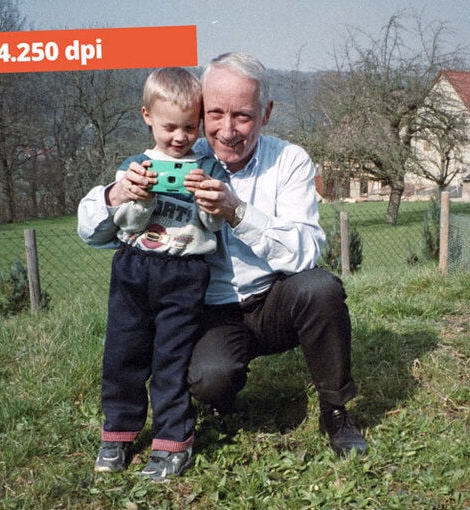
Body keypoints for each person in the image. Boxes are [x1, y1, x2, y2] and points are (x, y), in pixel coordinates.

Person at [182, 52, 368, 457]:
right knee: (211, 378)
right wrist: (115, 196)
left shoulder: (289, 160)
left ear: (266, 113)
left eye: (242, 116)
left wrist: (237, 212)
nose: (227, 130)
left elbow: (305, 252)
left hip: (274, 302)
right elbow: (97, 224)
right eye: (215, 113)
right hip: (214, 311)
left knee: (320, 289)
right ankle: (220, 398)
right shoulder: (183, 158)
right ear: (199, 112)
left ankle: (335, 412)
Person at [77, 67, 227, 481]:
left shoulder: (208, 166)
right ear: (147, 116)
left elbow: (213, 228)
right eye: (169, 127)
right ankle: (118, 435)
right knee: (123, 354)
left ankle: (172, 442)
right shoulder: (135, 165)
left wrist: (208, 202)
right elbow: (127, 223)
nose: (180, 137)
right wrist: (136, 195)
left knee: (171, 359)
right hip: (134, 267)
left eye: (189, 127)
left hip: (185, 272)